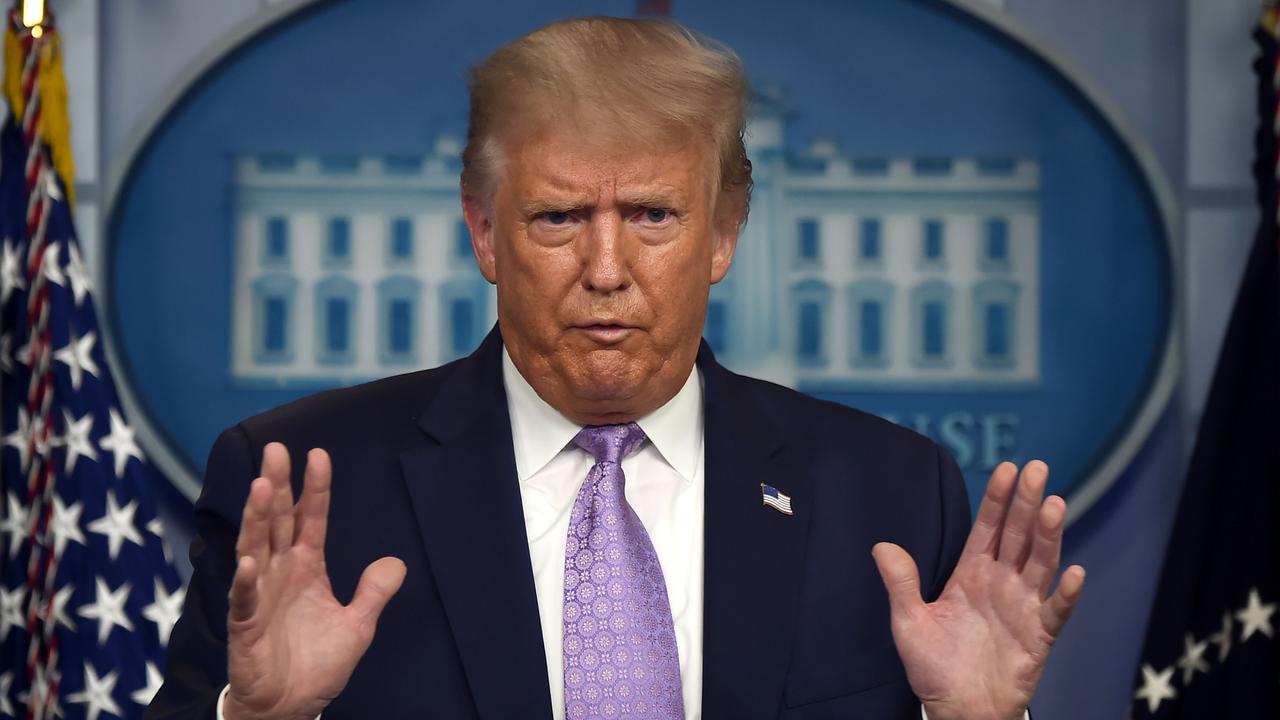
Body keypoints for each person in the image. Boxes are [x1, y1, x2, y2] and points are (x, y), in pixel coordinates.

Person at [147, 16, 1084, 720]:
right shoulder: (309, 485)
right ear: (483, 232)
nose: (606, 270)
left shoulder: (890, 493)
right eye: (558, 218)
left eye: (652, 216)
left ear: (723, 233)